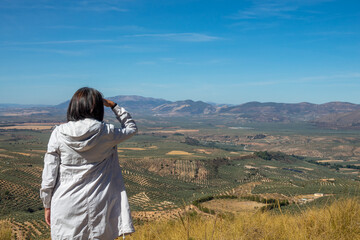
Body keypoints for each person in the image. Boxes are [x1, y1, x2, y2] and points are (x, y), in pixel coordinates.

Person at [40, 87, 137, 239]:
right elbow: (131, 128)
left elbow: (49, 176)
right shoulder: (107, 132)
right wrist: (114, 106)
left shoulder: (58, 133)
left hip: (65, 203)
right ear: (97, 107)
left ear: (74, 106)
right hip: (99, 204)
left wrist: (47, 205)